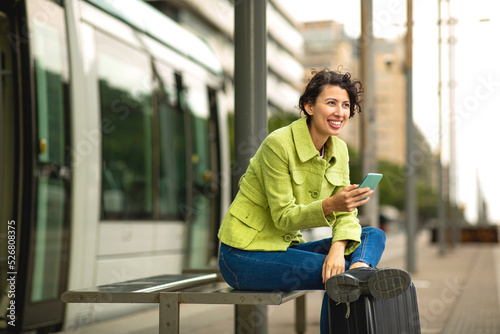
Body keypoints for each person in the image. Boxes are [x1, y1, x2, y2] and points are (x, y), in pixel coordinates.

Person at [217, 69, 410, 333]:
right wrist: (333, 205)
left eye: (345, 105)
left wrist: (338, 248)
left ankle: (361, 270)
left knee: (372, 235)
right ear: (309, 106)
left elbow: (346, 215)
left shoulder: (338, 148)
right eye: (331, 103)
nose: (339, 112)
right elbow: (284, 217)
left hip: (285, 251)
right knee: (336, 277)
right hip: (243, 256)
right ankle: (358, 275)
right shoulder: (279, 145)